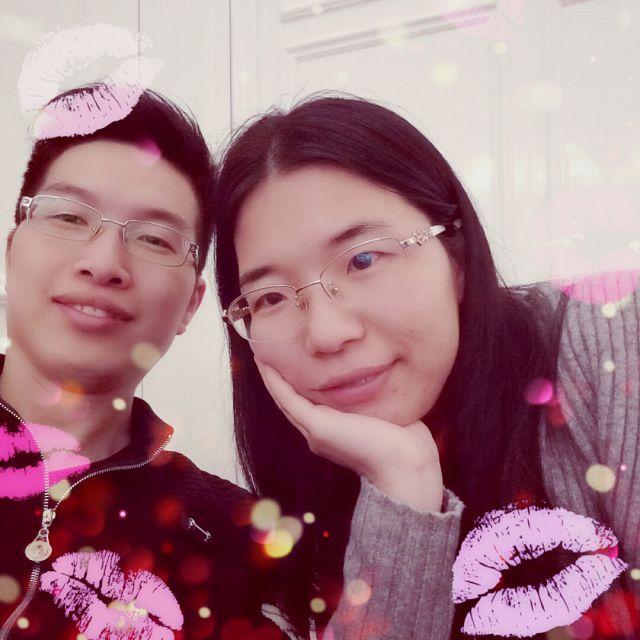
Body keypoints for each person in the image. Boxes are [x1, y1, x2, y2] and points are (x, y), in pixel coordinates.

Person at [213, 95, 640, 639]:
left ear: (456, 258)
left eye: (364, 259)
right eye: (271, 297)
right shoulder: (284, 519)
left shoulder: (612, 331)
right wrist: (401, 485)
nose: (326, 333)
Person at [0, 85, 295, 640]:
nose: (103, 262)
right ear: (12, 252)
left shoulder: (233, 540)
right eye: (68, 216)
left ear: (190, 305)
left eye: (156, 239)